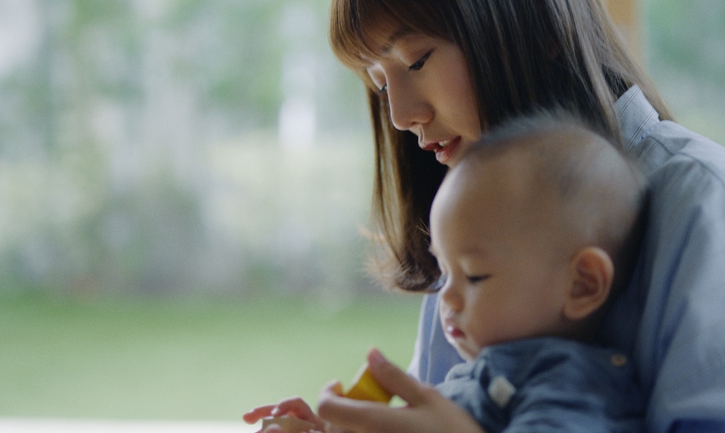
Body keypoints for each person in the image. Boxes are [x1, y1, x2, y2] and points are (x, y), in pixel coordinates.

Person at [259, 0, 725, 431]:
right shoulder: (473, 248)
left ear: (537, 27)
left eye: (419, 59)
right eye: (379, 82)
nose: (402, 115)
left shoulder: (713, 212)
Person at [245, 115, 648, 433]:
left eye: (474, 276)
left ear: (582, 284)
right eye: (444, 271)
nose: (447, 300)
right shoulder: (474, 376)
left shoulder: (570, 386)